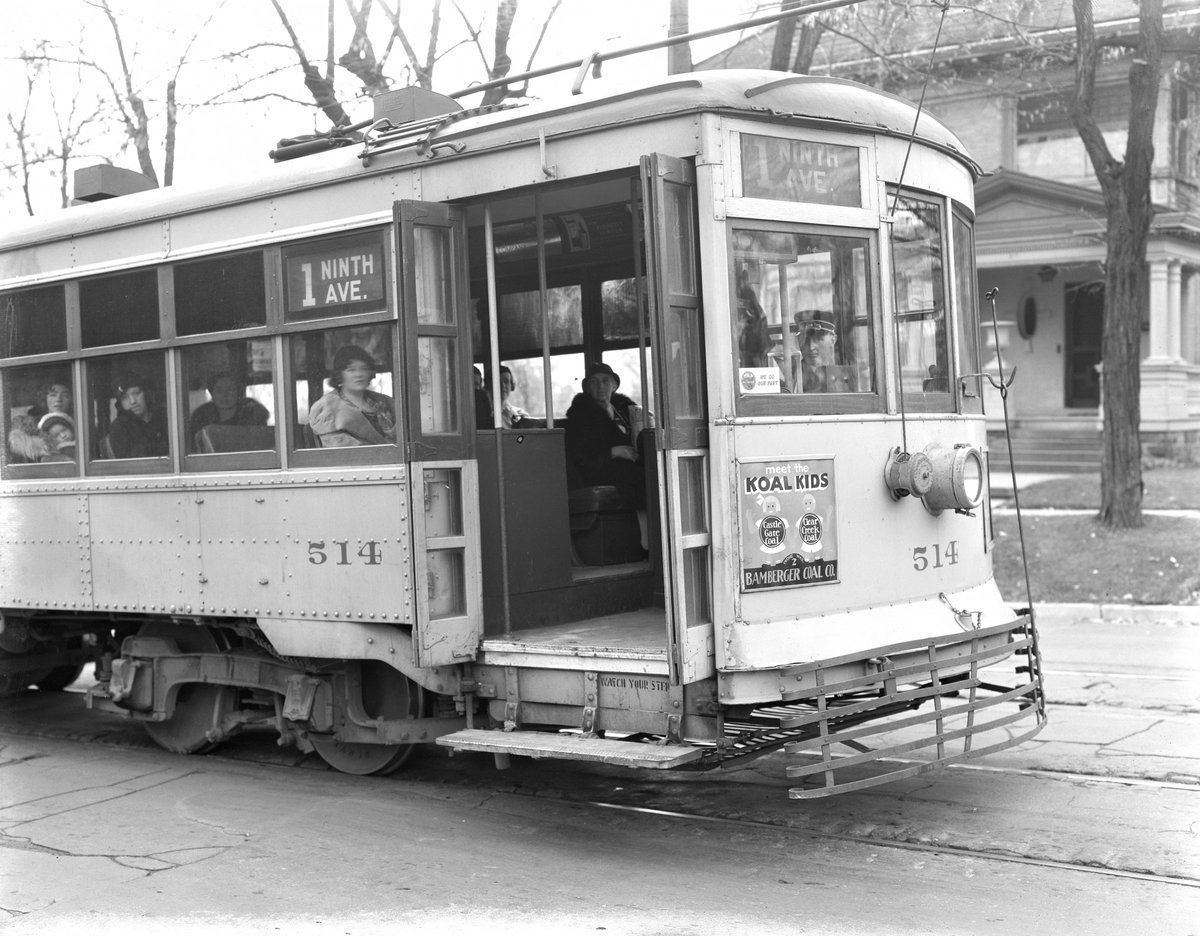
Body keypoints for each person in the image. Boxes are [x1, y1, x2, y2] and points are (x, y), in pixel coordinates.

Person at [308, 345, 397, 447]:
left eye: (364, 368)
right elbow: (344, 453)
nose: (359, 374)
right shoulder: (328, 409)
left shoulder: (385, 402)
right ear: (339, 374)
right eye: (351, 370)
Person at [188, 372, 270, 443]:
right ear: (212, 394)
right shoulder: (200, 417)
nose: (225, 395)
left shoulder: (253, 415)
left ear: (238, 393)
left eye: (230, 389)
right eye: (219, 390)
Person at [8, 377, 72, 463]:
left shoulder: (80, 423)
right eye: (53, 395)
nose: (58, 400)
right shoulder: (27, 424)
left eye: (65, 395)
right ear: (45, 398)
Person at [108, 377, 169, 458]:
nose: (133, 401)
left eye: (137, 393)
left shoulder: (163, 417)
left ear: (146, 394)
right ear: (121, 403)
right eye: (125, 397)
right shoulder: (119, 426)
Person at [799, 311, 840, 392]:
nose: (811, 347)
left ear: (833, 340)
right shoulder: (792, 375)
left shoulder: (843, 369)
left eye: (818, 339)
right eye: (806, 340)